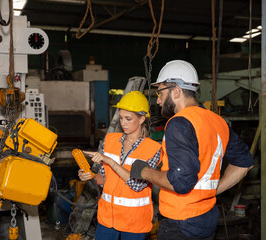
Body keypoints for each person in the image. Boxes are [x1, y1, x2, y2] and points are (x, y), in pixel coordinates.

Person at [130, 60, 254, 240]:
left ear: (176, 91)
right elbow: (245, 163)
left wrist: (144, 171)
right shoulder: (217, 121)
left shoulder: (179, 123)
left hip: (180, 221)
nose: (158, 100)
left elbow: (180, 183)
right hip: (207, 218)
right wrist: (214, 190)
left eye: (160, 93)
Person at [78, 91, 161, 240]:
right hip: (107, 219)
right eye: (121, 118)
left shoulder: (153, 149)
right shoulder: (110, 140)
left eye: (128, 119)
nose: (123, 123)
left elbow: (137, 185)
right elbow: (104, 177)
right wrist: (91, 177)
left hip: (134, 222)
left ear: (142, 118)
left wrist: (110, 161)